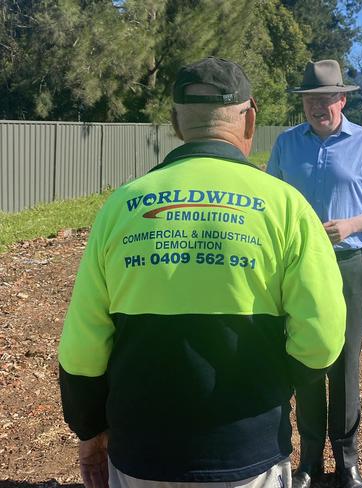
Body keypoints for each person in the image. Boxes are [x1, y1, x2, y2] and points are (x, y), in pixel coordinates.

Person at [58, 57, 347, 488]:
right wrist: (271, 384)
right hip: (247, 454)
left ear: (175, 121)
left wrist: (89, 428)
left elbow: (82, 351)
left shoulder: (120, 207)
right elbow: (321, 341)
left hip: (141, 453)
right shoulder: (287, 208)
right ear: (250, 119)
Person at [267, 59, 362, 488]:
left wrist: (354, 223)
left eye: (326, 99)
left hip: (347, 265)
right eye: (310, 100)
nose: (317, 107)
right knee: (307, 356)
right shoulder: (286, 145)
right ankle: (309, 461)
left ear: (342, 99)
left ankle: (347, 460)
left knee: (345, 360)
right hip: (298, 267)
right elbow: (271, 203)